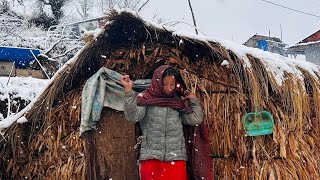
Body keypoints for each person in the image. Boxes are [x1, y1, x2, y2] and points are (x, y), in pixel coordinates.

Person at [120, 65, 203, 180]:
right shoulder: (147, 98)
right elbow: (133, 116)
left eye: (172, 84)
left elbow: (196, 119)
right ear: (158, 82)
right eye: (165, 84)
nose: (169, 88)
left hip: (176, 158)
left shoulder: (178, 102)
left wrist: (193, 100)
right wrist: (128, 91)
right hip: (151, 158)